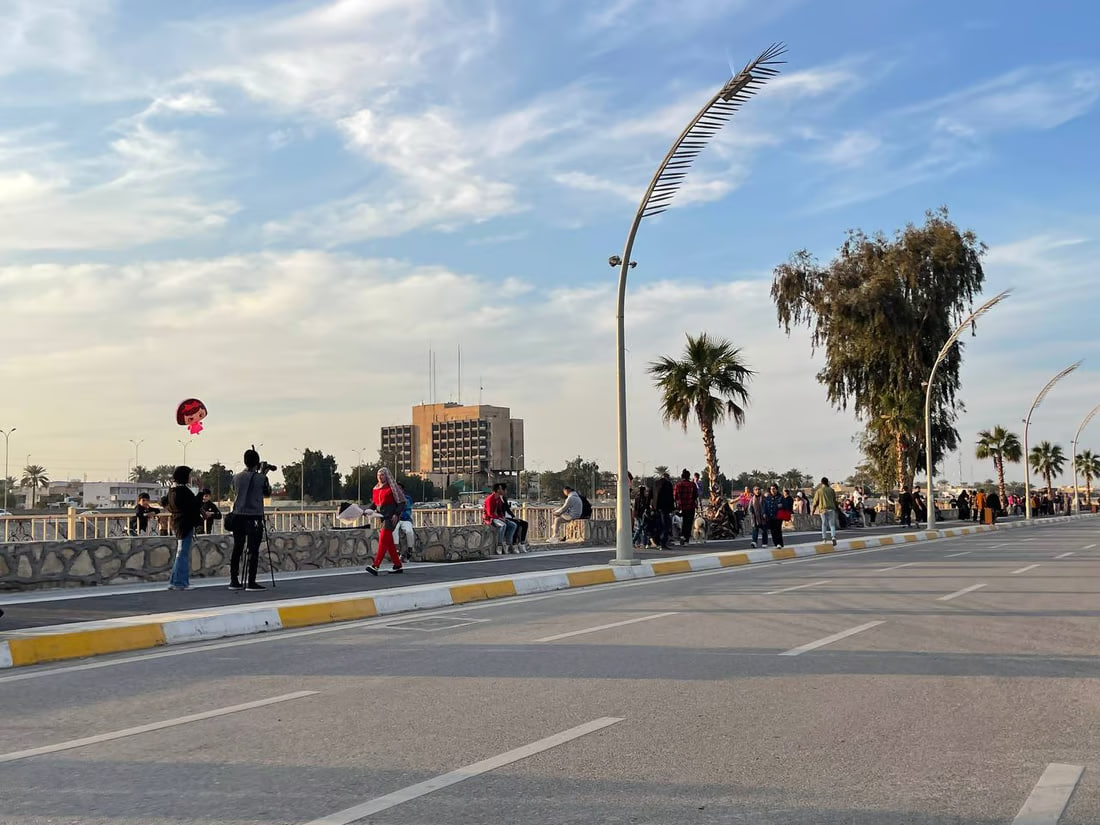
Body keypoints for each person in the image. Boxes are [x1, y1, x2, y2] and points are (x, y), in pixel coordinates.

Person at [229, 448, 273, 591]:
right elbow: (267, 493)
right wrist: (263, 474)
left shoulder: (236, 477)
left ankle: (234, 580)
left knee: (237, 548)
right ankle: (251, 582)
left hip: (237, 516)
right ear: (257, 462)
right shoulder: (261, 478)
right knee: (253, 550)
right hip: (254, 517)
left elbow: (235, 490)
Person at [165, 466, 200, 591]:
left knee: (180, 553)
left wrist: (173, 510)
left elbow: (164, 502)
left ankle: (175, 581)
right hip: (185, 524)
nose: (190, 478)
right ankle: (180, 582)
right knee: (182, 554)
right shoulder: (183, 491)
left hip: (177, 523)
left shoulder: (172, 490)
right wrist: (200, 491)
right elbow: (194, 504)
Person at [367, 467, 405, 575]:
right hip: (380, 517)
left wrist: (396, 514)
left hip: (390, 518)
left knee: (383, 541)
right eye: (378, 474)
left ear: (387, 476)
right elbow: (375, 504)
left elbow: (402, 502)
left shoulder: (393, 488)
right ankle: (398, 565)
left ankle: (376, 565)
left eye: (382, 474)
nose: (380, 476)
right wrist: (368, 510)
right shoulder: (376, 489)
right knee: (389, 543)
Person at [483, 484, 517, 552]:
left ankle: (507, 544)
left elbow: (500, 511)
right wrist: (499, 518)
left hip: (498, 518)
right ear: (497, 490)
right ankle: (500, 545)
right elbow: (490, 513)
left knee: (513, 525)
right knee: (503, 525)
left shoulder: (498, 499)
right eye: (501, 489)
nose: (502, 490)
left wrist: (503, 517)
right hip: (490, 519)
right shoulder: (490, 499)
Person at [499, 485, 529, 552]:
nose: (506, 491)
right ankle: (514, 543)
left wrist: (514, 516)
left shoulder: (504, 498)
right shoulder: (497, 499)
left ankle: (522, 543)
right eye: (505, 490)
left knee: (525, 523)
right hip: (504, 517)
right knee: (516, 524)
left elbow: (508, 510)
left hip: (509, 516)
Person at [673, 469, 699, 546]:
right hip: (690, 507)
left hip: (681, 507)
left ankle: (681, 535)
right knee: (688, 523)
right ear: (688, 476)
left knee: (681, 523)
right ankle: (686, 540)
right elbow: (695, 496)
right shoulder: (692, 485)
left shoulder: (678, 485)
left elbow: (675, 496)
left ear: (682, 476)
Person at [812, 476, 838, 546]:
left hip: (823, 510)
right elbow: (834, 500)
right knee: (832, 524)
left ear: (821, 483)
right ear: (827, 482)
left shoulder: (819, 491)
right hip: (831, 509)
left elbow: (815, 502)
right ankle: (833, 537)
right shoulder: (831, 490)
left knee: (824, 524)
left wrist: (812, 511)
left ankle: (824, 539)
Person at [654, 473, 675, 549]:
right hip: (665, 508)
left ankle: (657, 542)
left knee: (658, 526)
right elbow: (670, 497)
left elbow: (651, 494)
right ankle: (663, 542)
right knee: (666, 525)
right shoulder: (667, 484)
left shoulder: (656, 483)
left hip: (656, 508)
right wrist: (672, 508)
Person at [395, 482, 416, 560]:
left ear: (403, 490)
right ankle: (396, 550)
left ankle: (410, 549)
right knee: (394, 530)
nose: (398, 490)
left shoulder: (407, 498)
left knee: (409, 531)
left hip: (405, 519)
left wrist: (400, 514)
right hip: (396, 519)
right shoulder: (393, 498)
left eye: (400, 489)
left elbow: (408, 510)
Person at [764, 484, 785, 548]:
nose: (772, 490)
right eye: (771, 489)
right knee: (772, 531)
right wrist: (764, 513)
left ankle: (779, 543)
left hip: (778, 516)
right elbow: (765, 506)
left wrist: (781, 506)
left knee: (778, 529)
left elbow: (785, 505)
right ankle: (776, 543)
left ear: (776, 489)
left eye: (773, 489)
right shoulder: (768, 498)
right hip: (770, 516)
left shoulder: (781, 497)